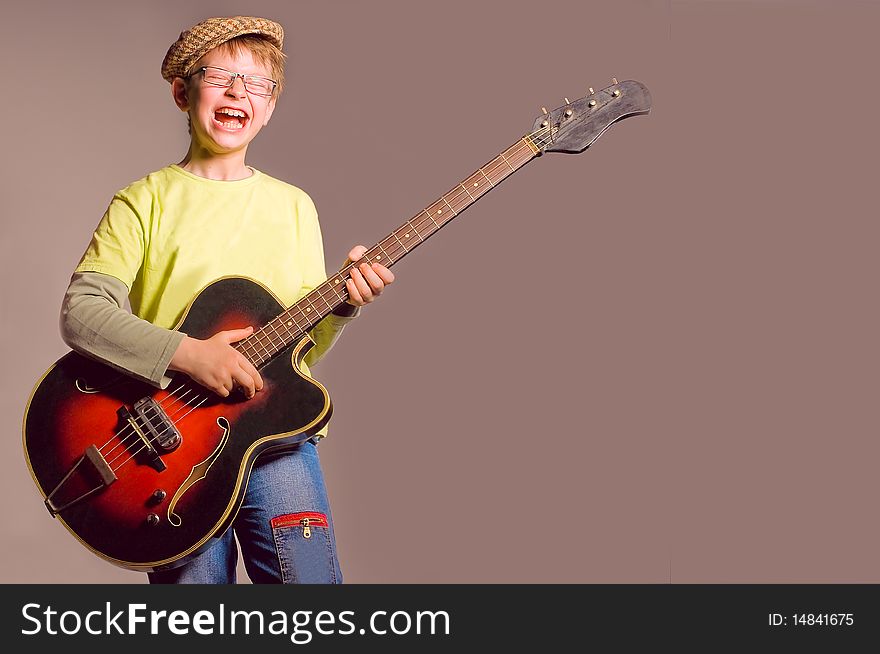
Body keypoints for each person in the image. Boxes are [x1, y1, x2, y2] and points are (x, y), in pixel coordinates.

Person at [59, 16, 394, 583]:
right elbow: (82, 313)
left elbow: (298, 358)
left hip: (275, 437)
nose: (239, 92)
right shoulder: (143, 202)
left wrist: (342, 306)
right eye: (220, 76)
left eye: (257, 84)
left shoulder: (295, 208)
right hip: (171, 449)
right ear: (181, 91)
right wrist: (189, 354)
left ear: (269, 107)